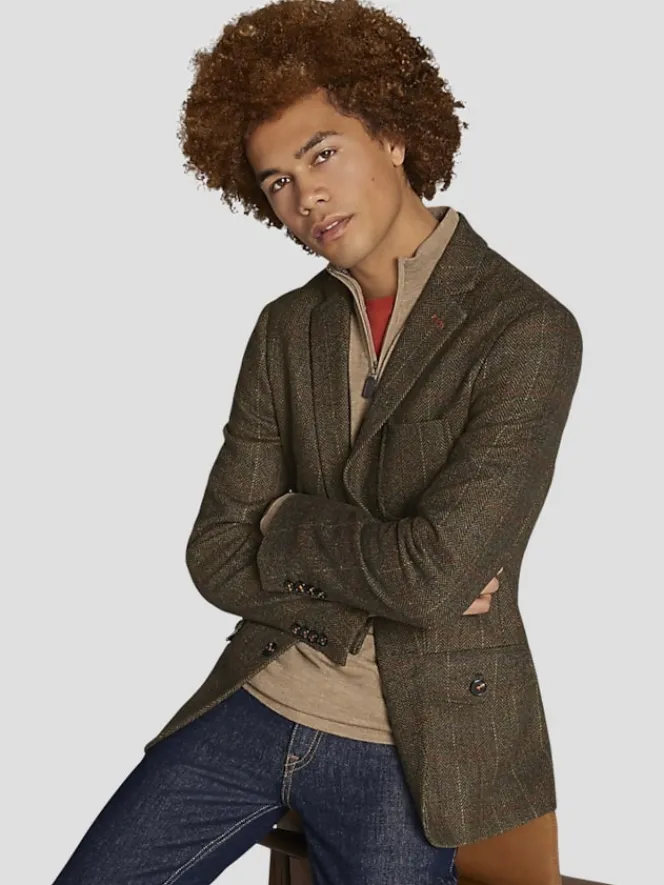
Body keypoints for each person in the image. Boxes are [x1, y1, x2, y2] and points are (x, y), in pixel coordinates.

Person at [51, 2, 582, 883]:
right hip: (256, 697)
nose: (306, 198)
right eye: (277, 182)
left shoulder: (525, 331)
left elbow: (432, 576)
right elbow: (215, 552)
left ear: (394, 136)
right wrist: (386, 568)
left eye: (322, 154)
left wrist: (285, 522)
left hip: (408, 742)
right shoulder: (285, 329)